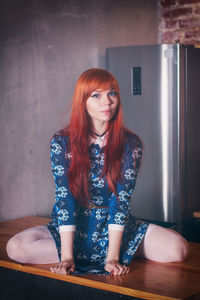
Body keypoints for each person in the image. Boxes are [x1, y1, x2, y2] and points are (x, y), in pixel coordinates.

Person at [6, 68, 189, 276]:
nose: (107, 102)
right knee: (15, 247)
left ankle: (110, 253)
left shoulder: (130, 143)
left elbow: (120, 200)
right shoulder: (61, 142)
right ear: (82, 101)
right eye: (96, 95)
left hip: (115, 226)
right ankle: (80, 255)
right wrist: (66, 256)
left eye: (112, 93)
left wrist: (113, 257)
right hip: (75, 227)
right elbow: (64, 199)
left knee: (178, 249)